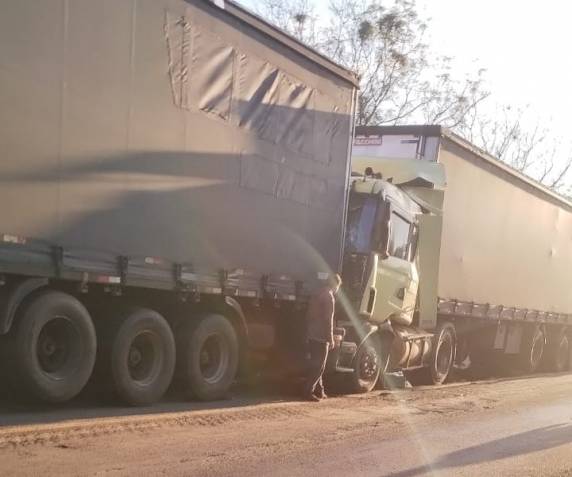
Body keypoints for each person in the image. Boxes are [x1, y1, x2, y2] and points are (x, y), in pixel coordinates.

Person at [303, 274, 342, 401]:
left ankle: (320, 391)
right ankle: (308, 391)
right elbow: (328, 320)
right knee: (320, 366)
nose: (337, 289)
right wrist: (330, 338)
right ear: (335, 284)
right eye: (338, 286)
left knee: (316, 363)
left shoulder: (317, 293)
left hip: (312, 333)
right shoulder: (329, 297)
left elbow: (309, 314)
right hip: (321, 336)